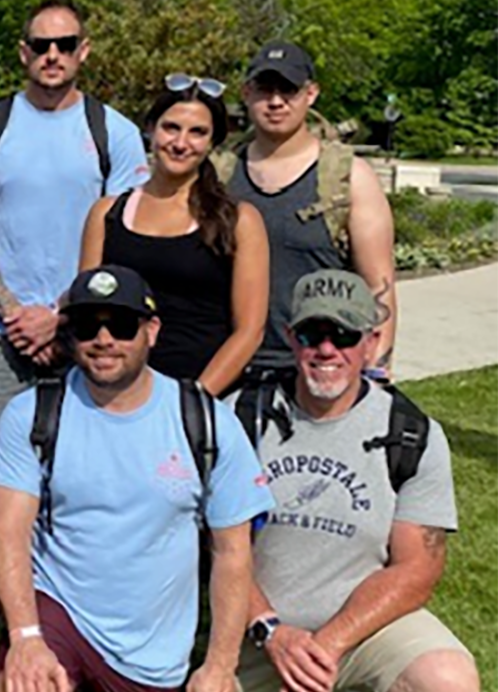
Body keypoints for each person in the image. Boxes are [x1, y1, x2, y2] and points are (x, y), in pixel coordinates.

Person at [0, 0, 150, 627]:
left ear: (84, 51)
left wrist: (60, 314)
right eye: (41, 45)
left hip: (89, 329)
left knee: (86, 464)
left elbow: (124, 232)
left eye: (65, 44)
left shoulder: (112, 131)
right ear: (23, 52)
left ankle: (69, 597)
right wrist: (15, 312)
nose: (52, 56)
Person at [0, 265, 274, 692]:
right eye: (87, 327)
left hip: (152, 654)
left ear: (151, 331)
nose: (104, 341)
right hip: (59, 612)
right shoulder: (32, 414)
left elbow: (232, 553)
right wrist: (25, 638)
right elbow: (8, 534)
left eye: (121, 326)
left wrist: (219, 666)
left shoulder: (206, 423)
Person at [234, 270, 478, 692]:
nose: (327, 350)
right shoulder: (239, 418)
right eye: (313, 334)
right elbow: (213, 547)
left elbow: (418, 568)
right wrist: (271, 631)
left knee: (446, 679)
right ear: (292, 338)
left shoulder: (411, 434)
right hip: (251, 628)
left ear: (371, 342)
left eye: (344, 335)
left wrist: (327, 645)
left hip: (362, 630)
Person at [80, 75, 269, 393]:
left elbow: (249, 331)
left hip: (203, 398)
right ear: (151, 129)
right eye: (171, 128)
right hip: (115, 396)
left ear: (212, 142)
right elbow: (86, 314)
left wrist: (193, 401)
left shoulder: (238, 220)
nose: (181, 143)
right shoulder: (106, 214)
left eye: (198, 133)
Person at [220, 41, 396, 381]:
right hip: (229, 366)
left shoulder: (348, 177)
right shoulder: (219, 174)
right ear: (246, 93)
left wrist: (376, 371)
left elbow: (380, 286)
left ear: (311, 93)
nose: (275, 101)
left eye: (288, 89)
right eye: (264, 89)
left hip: (319, 366)